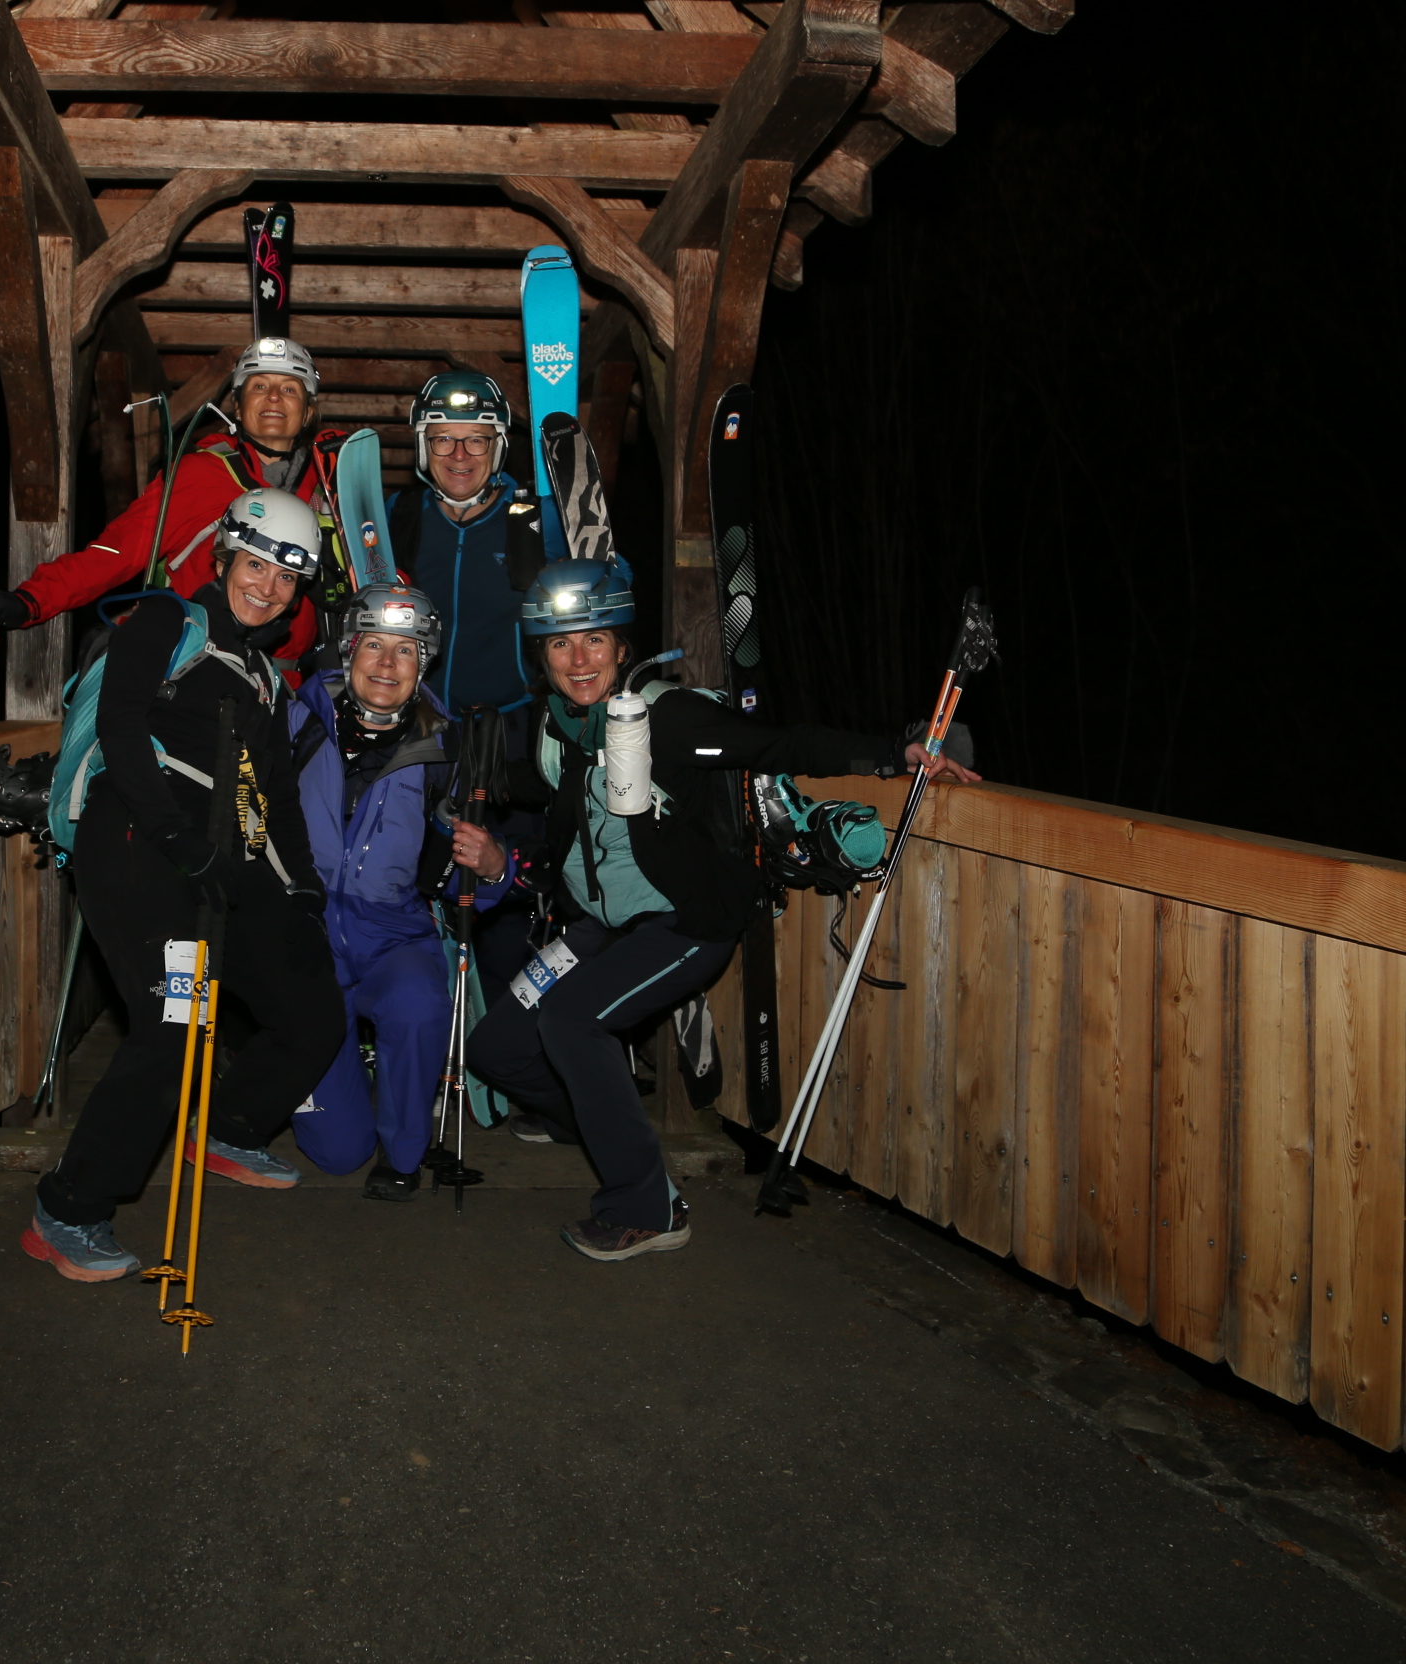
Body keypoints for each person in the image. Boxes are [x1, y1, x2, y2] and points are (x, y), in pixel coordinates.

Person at [466, 558, 980, 1263]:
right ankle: (588, 1118)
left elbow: (777, 743)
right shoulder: (560, 726)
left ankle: (648, 1208)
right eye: (561, 643)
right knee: (496, 1050)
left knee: (571, 1022)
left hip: (682, 921)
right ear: (542, 656)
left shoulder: (667, 718)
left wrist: (895, 754)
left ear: (622, 646)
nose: (578, 660)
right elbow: (555, 800)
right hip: (599, 925)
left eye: (594, 639)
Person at [24, 488, 349, 1283]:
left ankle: (229, 1126)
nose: (268, 587)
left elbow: (273, 801)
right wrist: (171, 833)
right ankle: (68, 1210)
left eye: (286, 578)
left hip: (218, 861)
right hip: (138, 843)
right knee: (179, 1019)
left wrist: (301, 890)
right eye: (256, 566)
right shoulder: (168, 623)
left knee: (311, 1005)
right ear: (225, 558)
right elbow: (121, 723)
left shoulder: (264, 678)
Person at [285, 584, 516, 1201]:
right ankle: (324, 1086)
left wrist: (495, 867)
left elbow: (467, 870)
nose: (388, 664)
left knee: (418, 1002)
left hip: (391, 933)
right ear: (349, 650)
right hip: (306, 934)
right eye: (375, 646)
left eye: (407, 650)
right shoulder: (296, 722)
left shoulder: (445, 747)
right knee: (337, 1153)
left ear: (424, 664)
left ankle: (405, 1150)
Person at [0, 337, 343, 682]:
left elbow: (371, 572)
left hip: (287, 687)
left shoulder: (335, 484)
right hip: (196, 671)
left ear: (308, 412)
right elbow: (113, 555)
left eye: (289, 389)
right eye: (259, 386)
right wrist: (26, 601)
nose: (273, 397)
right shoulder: (197, 475)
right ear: (237, 408)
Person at [382, 370, 553, 1008]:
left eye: (475, 439)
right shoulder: (399, 518)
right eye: (443, 439)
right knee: (413, 890)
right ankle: (416, 1026)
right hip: (422, 736)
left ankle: (510, 1040)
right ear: (422, 446)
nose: (459, 454)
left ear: (498, 447)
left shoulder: (533, 522)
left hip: (512, 741)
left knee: (506, 907)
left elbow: (605, 586)